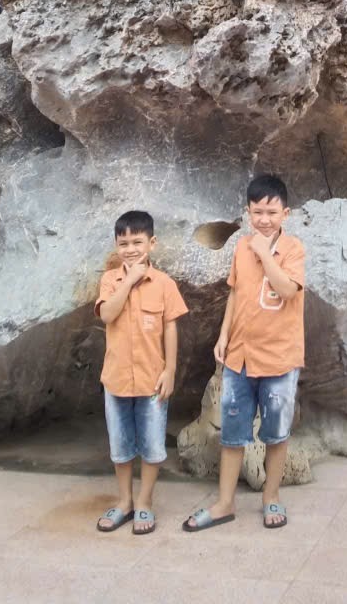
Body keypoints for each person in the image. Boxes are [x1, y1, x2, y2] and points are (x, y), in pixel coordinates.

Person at [184, 173, 305, 533]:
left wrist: (266, 254)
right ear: (248, 213)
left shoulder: (293, 249)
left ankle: (271, 497)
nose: (264, 219)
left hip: (280, 359)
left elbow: (287, 290)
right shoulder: (241, 248)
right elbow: (235, 294)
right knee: (232, 432)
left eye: (271, 212)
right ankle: (225, 503)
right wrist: (223, 336)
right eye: (257, 212)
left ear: (285, 214)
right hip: (240, 356)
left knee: (276, 432)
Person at [94, 209, 188, 535]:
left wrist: (170, 370)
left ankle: (145, 502)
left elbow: (171, 328)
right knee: (120, 447)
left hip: (152, 380)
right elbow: (107, 314)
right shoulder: (110, 280)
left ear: (152, 243)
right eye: (124, 243)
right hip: (116, 379)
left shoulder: (164, 284)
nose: (131, 249)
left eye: (137, 242)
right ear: (116, 246)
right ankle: (125, 502)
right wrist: (130, 280)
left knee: (152, 445)